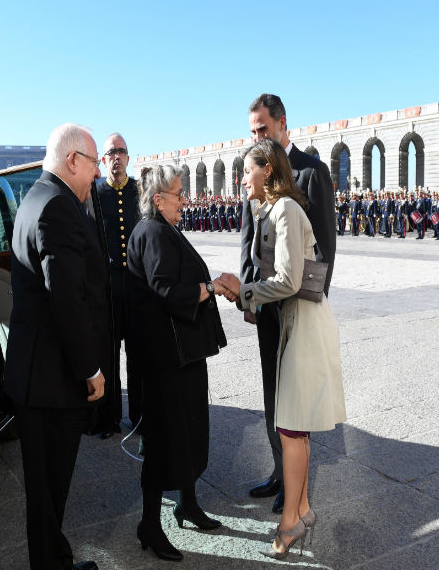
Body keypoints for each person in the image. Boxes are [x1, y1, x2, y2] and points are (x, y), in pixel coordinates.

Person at [216, 139, 345, 559]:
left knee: (290, 427)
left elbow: (290, 281)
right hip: (296, 321)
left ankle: (290, 521)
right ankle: (302, 509)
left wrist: (243, 291)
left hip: (304, 323)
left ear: (268, 170)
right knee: (296, 427)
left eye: (247, 170)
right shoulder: (273, 208)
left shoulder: (286, 209)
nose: (241, 179)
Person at [4, 123, 109, 570]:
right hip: (51, 381)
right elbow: (66, 299)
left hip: (35, 376)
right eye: (93, 165)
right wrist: (91, 369)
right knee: (50, 488)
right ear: (72, 161)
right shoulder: (58, 209)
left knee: (45, 492)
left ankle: (55, 560)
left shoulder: (34, 200)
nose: (97, 175)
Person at [239, 93, 336, 514]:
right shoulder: (255, 174)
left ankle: (296, 488)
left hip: (294, 303)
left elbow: (326, 248)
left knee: (294, 398)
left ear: (283, 124)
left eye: (263, 128)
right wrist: (247, 293)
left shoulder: (311, 173)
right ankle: (279, 471)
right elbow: (246, 242)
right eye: (253, 131)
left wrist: (310, 305)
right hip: (265, 306)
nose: (258, 136)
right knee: (271, 393)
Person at [127, 165, 228, 562]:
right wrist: (212, 286)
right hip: (165, 359)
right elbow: (166, 289)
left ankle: (187, 503)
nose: (184, 201)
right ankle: (149, 524)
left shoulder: (163, 229)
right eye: (179, 195)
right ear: (158, 200)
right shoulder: (152, 232)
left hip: (182, 354)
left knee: (188, 431)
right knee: (163, 438)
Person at [95, 132, 141, 438]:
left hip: (136, 284)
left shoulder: (140, 190)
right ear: (103, 159)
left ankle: (139, 416)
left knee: (138, 353)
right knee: (108, 354)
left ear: (128, 157)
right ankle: (108, 419)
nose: (116, 157)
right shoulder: (94, 192)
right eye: (111, 152)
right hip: (108, 284)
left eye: (121, 151)